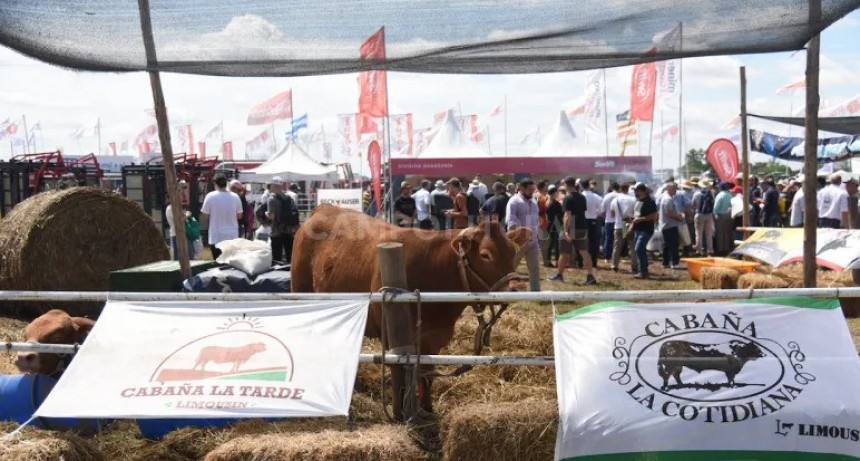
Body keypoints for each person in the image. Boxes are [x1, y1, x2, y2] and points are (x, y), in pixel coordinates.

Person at [549, 176, 596, 285]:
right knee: (584, 251)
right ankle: (590, 275)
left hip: (571, 226)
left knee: (564, 252)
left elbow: (567, 215)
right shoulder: (582, 197)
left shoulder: (568, 198)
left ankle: (559, 275)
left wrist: (565, 230)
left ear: (566, 185)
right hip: (582, 224)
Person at [506, 179, 541, 291]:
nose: (532, 192)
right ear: (521, 188)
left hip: (533, 241)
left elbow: (535, 220)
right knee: (511, 268)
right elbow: (511, 222)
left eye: (533, 190)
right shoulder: (514, 202)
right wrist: (518, 239)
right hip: (518, 242)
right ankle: (505, 290)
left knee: (534, 268)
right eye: (530, 190)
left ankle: (536, 293)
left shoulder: (534, 201)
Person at [201, 173, 243, 260]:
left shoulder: (210, 196)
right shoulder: (235, 197)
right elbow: (239, 216)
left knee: (218, 263)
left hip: (216, 235)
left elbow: (205, 215)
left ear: (215, 184)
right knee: (231, 262)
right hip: (232, 235)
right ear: (226, 184)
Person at [265, 176, 300, 263]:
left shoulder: (271, 199)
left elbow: (272, 216)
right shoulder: (288, 197)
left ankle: (278, 275)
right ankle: (290, 274)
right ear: (281, 186)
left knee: (277, 258)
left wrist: (266, 214)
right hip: (288, 230)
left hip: (277, 231)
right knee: (289, 256)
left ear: (273, 186)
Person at [631, 183, 658, 279]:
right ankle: (642, 270)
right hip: (638, 229)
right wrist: (633, 218)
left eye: (636, 190)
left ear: (642, 191)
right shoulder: (638, 201)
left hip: (646, 229)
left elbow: (654, 216)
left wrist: (641, 219)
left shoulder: (649, 201)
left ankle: (643, 271)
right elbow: (637, 214)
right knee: (639, 250)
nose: (635, 192)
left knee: (639, 248)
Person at [610, 182, 637, 273]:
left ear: (620, 189)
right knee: (632, 247)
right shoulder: (633, 199)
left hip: (619, 225)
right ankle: (634, 266)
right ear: (628, 188)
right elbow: (636, 213)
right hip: (629, 225)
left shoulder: (615, 200)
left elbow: (612, 214)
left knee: (617, 247)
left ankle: (614, 265)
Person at [658, 182, 685, 270]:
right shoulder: (668, 199)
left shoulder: (667, 198)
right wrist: (679, 217)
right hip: (669, 225)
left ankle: (665, 262)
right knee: (674, 244)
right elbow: (668, 213)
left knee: (667, 244)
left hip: (666, 225)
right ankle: (675, 262)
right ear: (668, 189)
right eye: (674, 188)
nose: (676, 190)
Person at [581, 179, 603, 268]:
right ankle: (593, 262)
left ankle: (581, 262)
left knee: (582, 242)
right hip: (593, 220)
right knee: (593, 242)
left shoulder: (580, 196)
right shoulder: (596, 197)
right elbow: (601, 210)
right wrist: (594, 213)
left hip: (583, 220)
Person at [692, 179, 716, 256]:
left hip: (699, 214)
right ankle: (710, 250)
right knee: (709, 234)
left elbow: (693, 204)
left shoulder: (697, 194)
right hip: (709, 215)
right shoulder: (711, 193)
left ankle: (699, 251)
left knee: (699, 234)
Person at [601, 182, 619, 267]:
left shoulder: (607, 196)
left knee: (608, 239)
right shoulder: (621, 196)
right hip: (621, 222)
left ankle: (607, 257)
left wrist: (605, 217)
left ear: (611, 187)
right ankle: (622, 255)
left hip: (608, 221)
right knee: (622, 239)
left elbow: (602, 210)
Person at [713, 181, 734, 255]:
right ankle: (726, 248)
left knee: (720, 233)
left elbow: (715, 207)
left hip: (720, 215)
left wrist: (714, 214)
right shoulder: (730, 195)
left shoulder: (719, 195)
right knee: (727, 233)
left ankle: (720, 249)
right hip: (728, 215)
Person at [536, 180, 552, 267]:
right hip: (542, 222)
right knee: (544, 243)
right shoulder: (543, 197)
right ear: (543, 187)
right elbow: (545, 208)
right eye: (546, 186)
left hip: (533, 222)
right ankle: (546, 261)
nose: (547, 187)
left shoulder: (534, 195)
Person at [546, 184, 563, 267]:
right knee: (556, 244)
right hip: (556, 225)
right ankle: (556, 261)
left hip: (548, 225)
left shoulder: (546, 203)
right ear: (554, 193)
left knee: (550, 243)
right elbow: (560, 215)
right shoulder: (556, 204)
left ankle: (548, 260)